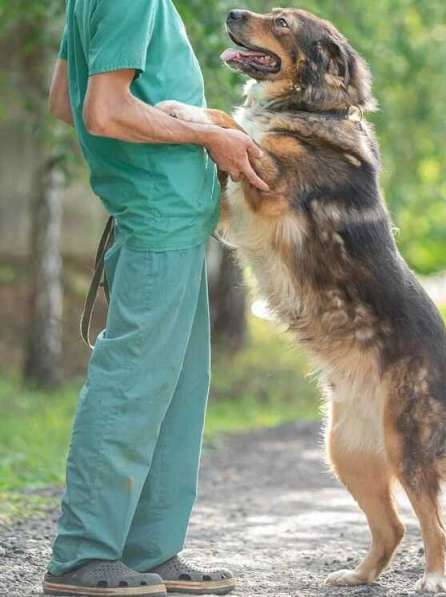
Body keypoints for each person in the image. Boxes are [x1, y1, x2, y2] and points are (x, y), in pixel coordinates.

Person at [44, 1, 267, 595]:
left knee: (177, 391)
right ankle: (83, 556)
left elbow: (62, 102)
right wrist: (206, 135)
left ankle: (150, 551)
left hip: (169, 217)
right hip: (157, 217)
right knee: (132, 385)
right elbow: (103, 109)